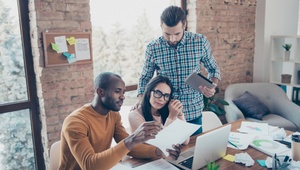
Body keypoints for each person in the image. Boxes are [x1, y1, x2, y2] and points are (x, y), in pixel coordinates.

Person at [58, 72, 182, 170]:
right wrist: (132, 139)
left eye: (123, 92)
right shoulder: (75, 122)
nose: (123, 96)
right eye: (117, 91)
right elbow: (90, 165)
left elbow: (131, 148)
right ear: (100, 92)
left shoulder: (113, 115)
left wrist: (159, 152)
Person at [137, 5, 221, 135]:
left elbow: (213, 68)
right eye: (167, 34)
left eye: (177, 34)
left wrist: (212, 86)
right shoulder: (153, 48)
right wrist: (141, 104)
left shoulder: (200, 42)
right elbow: (144, 78)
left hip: (194, 112)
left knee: (194, 151)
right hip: (166, 114)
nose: (172, 39)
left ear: (184, 25)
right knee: (169, 152)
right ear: (161, 26)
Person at [129, 76, 189, 145]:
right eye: (158, 93)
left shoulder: (166, 111)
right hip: (147, 155)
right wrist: (171, 117)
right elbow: (160, 145)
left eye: (166, 95)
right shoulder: (135, 115)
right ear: (149, 92)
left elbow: (185, 141)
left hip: (167, 155)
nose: (161, 99)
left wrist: (180, 114)